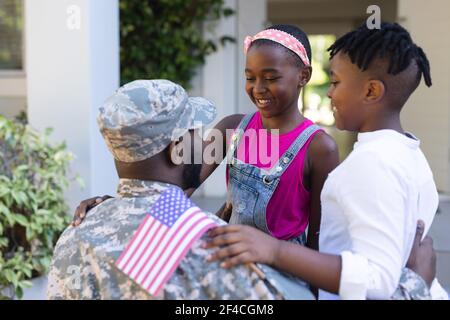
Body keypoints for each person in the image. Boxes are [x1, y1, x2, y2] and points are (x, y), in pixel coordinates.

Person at [204, 22, 449, 300]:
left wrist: (275, 250)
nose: (329, 93)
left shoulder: (370, 164)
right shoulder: (407, 152)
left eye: (335, 82)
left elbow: (376, 278)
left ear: (371, 92)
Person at [47, 79, 315, 300]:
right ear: (177, 149)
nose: (203, 141)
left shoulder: (77, 232)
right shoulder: (213, 244)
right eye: (195, 132)